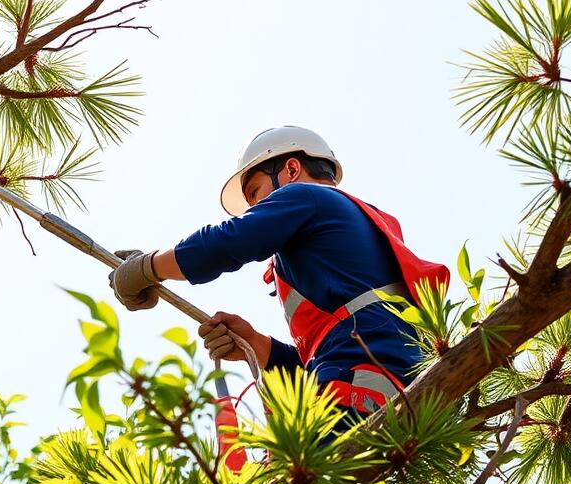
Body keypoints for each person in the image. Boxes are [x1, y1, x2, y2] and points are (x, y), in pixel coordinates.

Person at [107, 126, 448, 425]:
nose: (256, 208)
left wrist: (148, 267)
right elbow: (322, 360)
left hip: (358, 389)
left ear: (291, 169)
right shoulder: (349, 240)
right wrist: (256, 345)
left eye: (255, 192)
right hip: (387, 389)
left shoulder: (307, 196)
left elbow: (228, 241)